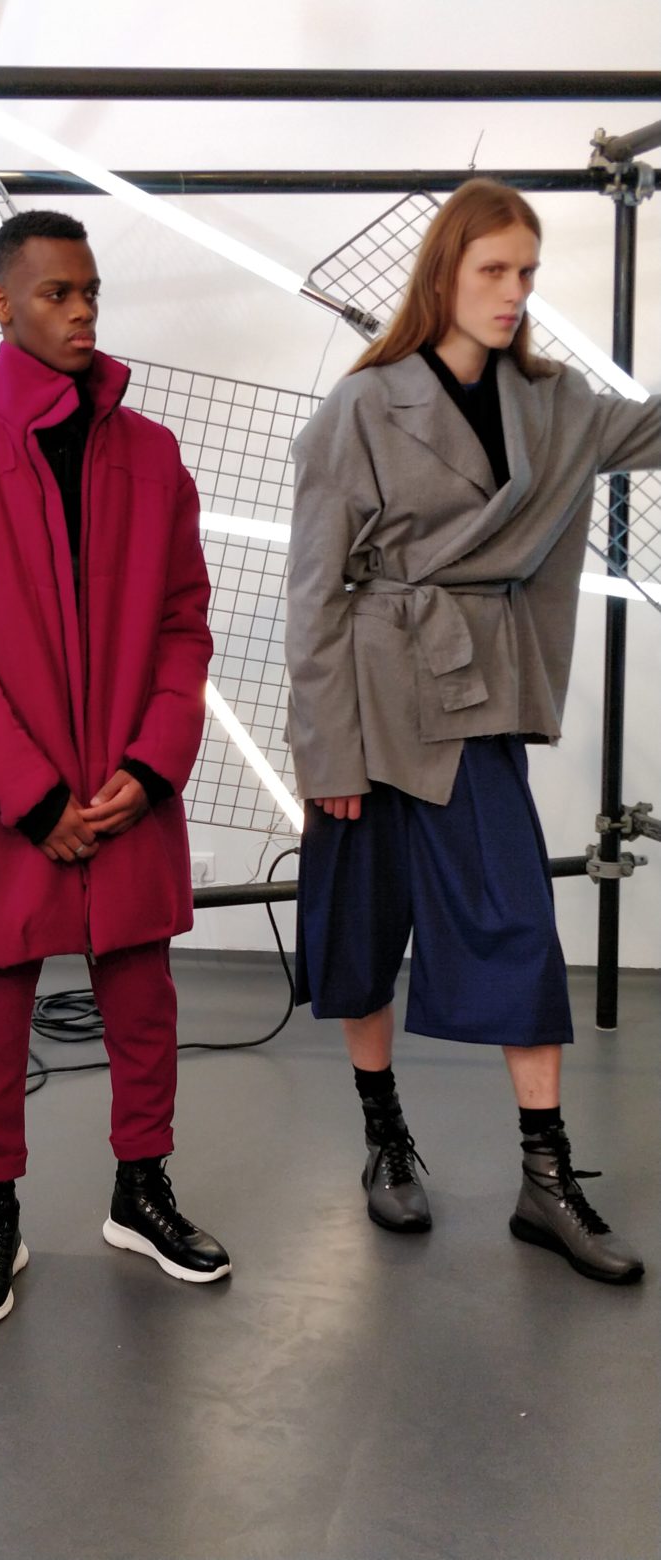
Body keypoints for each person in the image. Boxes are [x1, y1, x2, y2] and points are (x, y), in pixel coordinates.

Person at [286, 177, 657, 1284]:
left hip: (473, 700)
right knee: (361, 932)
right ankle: (385, 1135)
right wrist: (328, 754)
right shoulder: (364, 405)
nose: (514, 291)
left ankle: (546, 1179)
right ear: (444, 272)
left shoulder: (554, 401)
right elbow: (315, 599)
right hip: (369, 703)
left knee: (516, 925)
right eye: (494, 269)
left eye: (527, 272)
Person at [0, 210, 230, 1322]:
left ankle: (142, 1190)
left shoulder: (153, 456)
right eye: (57, 293)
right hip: (8, 799)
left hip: (127, 786)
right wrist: (33, 796)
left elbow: (184, 624)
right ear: (2, 305)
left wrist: (156, 761)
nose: (82, 310)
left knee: (142, 997)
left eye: (91, 291)